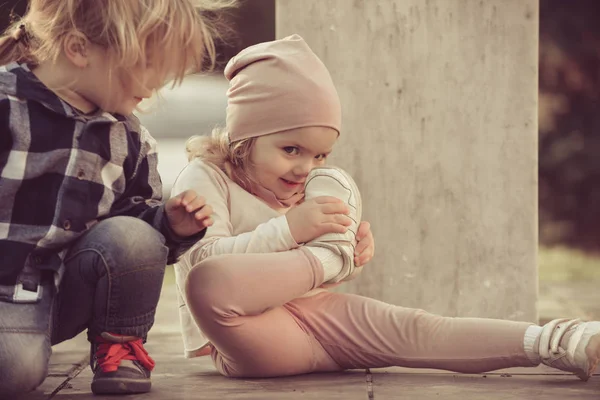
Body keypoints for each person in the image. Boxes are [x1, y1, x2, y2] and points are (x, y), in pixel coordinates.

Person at [172, 35, 600, 382]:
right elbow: (203, 266)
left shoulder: (312, 183)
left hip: (323, 318)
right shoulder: (206, 177)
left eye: (320, 155)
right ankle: (328, 261)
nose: (306, 167)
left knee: (421, 329)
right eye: (290, 149)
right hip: (255, 336)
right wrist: (293, 231)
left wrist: (352, 258)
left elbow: (314, 273)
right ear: (244, 138)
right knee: (208, 281)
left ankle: (561, 341)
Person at [0, 0, 235, 396]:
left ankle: (119, 348)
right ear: (79, 49)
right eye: (146, 65)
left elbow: (132, 224)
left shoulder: (129, 138)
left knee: (132, 235)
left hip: (56, 293)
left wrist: (170, 225)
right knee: (16, 373)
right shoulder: (7, 106)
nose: (155, 83)